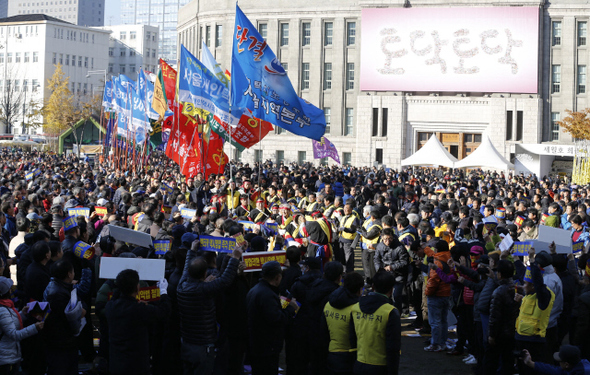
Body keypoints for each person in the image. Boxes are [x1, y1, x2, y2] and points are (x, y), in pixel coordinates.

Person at [176, 239, 242, 375]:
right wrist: (235, 258)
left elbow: (186, 270)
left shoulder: (181, 286)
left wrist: (192, 251)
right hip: (202, 345)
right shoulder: (204, 289)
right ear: (205, 274)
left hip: (186, 342)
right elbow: (225, 281)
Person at [105, 269, 171, 375]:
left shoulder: (110, 307)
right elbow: (164, 312)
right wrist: (163, 292)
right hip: (137, 366)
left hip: (116, 364)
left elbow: (117, 295)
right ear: (137, 288)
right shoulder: (139, 310)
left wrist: (122, 282)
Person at [246, 261, 298, 375]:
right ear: (277, 277)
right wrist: (290, 309)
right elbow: (278, 319)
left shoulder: (256, 289)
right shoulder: (267, 295)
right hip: (267, 347)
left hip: (257, 344)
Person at [349, 270, 401, 375]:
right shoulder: (390, 311)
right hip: (381, 367)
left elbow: (352, 339)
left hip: (359, 363)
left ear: (373, 287)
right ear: (391, 290)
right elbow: (393, 348)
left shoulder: (355, 308)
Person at [42, 259, 86, 375]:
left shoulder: (57, 286)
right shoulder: (57, 294)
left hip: (61, 339)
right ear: (69, 274)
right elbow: (72, 314)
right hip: (61, 341)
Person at [321, 272, 364, 375]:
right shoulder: (357, 309)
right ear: (359, 290)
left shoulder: (328, 305)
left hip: (332, 353)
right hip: (351, 355)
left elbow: (323, 332)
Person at [0, 276, 43, 375]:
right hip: (6, 359)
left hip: (8, 356)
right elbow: (14, 335)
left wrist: (22, 314)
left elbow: (9, 322)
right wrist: (34, 328)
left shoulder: (6, 306)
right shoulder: (2, 310)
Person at [485, 260, 519, 375]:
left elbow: (494, 316)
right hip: (512, 331)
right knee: (508, 360)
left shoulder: (498, 292)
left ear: (499, 274)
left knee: (491, 361)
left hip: (500, 333)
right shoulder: (517, 288)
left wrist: (491, 335)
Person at [373, 228, 409, 311]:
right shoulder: (379, 246)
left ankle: (397, 314)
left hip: (398, 275)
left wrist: (392, 267)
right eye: (385, 239)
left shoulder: (399, 247)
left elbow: (404, 262)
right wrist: (379, 269)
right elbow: (376, 259)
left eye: (390, 239)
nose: (388, 241)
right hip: (385, 275)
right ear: (382, 237)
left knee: (396, 296)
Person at [522, 345, 590, 375]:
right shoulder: (575, 366)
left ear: (566, 364)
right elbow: (552, 369)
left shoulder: (584, 372)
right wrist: (530, 363)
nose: (558, 364)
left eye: (560, 361)